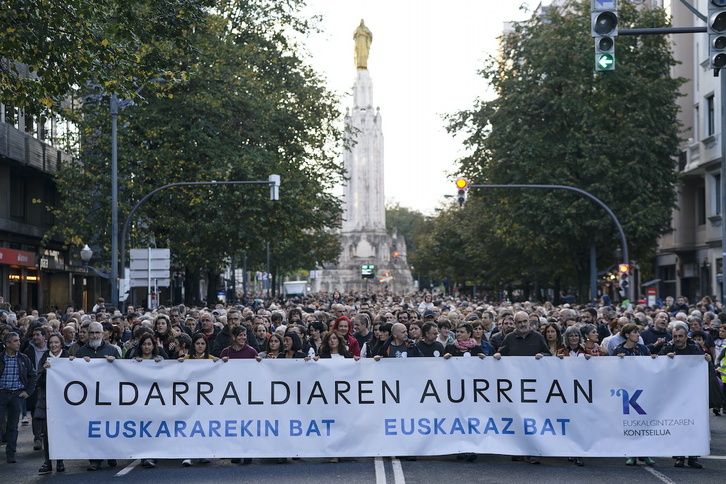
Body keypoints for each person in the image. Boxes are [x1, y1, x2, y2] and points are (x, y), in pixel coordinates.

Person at [493, 311, 549, 465]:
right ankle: (518, 450)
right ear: (515, 324)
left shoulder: (538, 337)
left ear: (530, 322)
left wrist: (543, 356)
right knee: (517, 418)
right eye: (520, 322)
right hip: (515, 386)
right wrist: (498, 356)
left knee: (533, 418)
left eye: (525, 321)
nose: (523, 325)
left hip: (534, 386)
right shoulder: (509, 338)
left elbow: (549, 355)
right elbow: (502, 353)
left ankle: (533, 451)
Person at [659, 322, 710, 468]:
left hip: (693, 394)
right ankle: (679, 456)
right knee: (678, 426)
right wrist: (664, 358)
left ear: (686, 336)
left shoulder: (695, 348)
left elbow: (704, 366)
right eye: (675, 336)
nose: (677, 339)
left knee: (694, 425)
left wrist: (707, 360)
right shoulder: (668, 347)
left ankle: (693, 457)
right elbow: (657, 365)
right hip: (674, 394)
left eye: (680, 336)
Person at [69, 322, 117, 471]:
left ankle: (110, 454)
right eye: (92, 333)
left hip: (108, 396)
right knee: (92, 428)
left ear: (103, 334)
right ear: (88, 334)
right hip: (89, 397)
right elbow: (73, 374)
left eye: (97, 332)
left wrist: (114, 362)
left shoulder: (112, 350)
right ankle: (94, 460)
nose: (95, 335)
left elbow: (122, 373)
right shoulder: (81, 351)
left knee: (108, 427)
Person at [0, 331, 37, 464]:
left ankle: (11, 453)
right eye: (15, 341)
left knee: (13, 426)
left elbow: (33, 375)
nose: (18, 343)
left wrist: (28, 391)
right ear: (7, 344)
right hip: (2, 394)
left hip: (16, 395)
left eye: (18, 340)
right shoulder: (1, 358)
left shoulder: (23, 358)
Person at [36, 333, 68, 474]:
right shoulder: (44, 358)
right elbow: (39, 382)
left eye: (56, 342)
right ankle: (47, 461)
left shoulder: (67, 356)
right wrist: (45, 370)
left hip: (64, 402)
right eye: (51, 343)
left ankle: (60, 461)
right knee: (47, 432)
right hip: (47, 401)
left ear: (61, 343)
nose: (53, 345)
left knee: (60, 431)